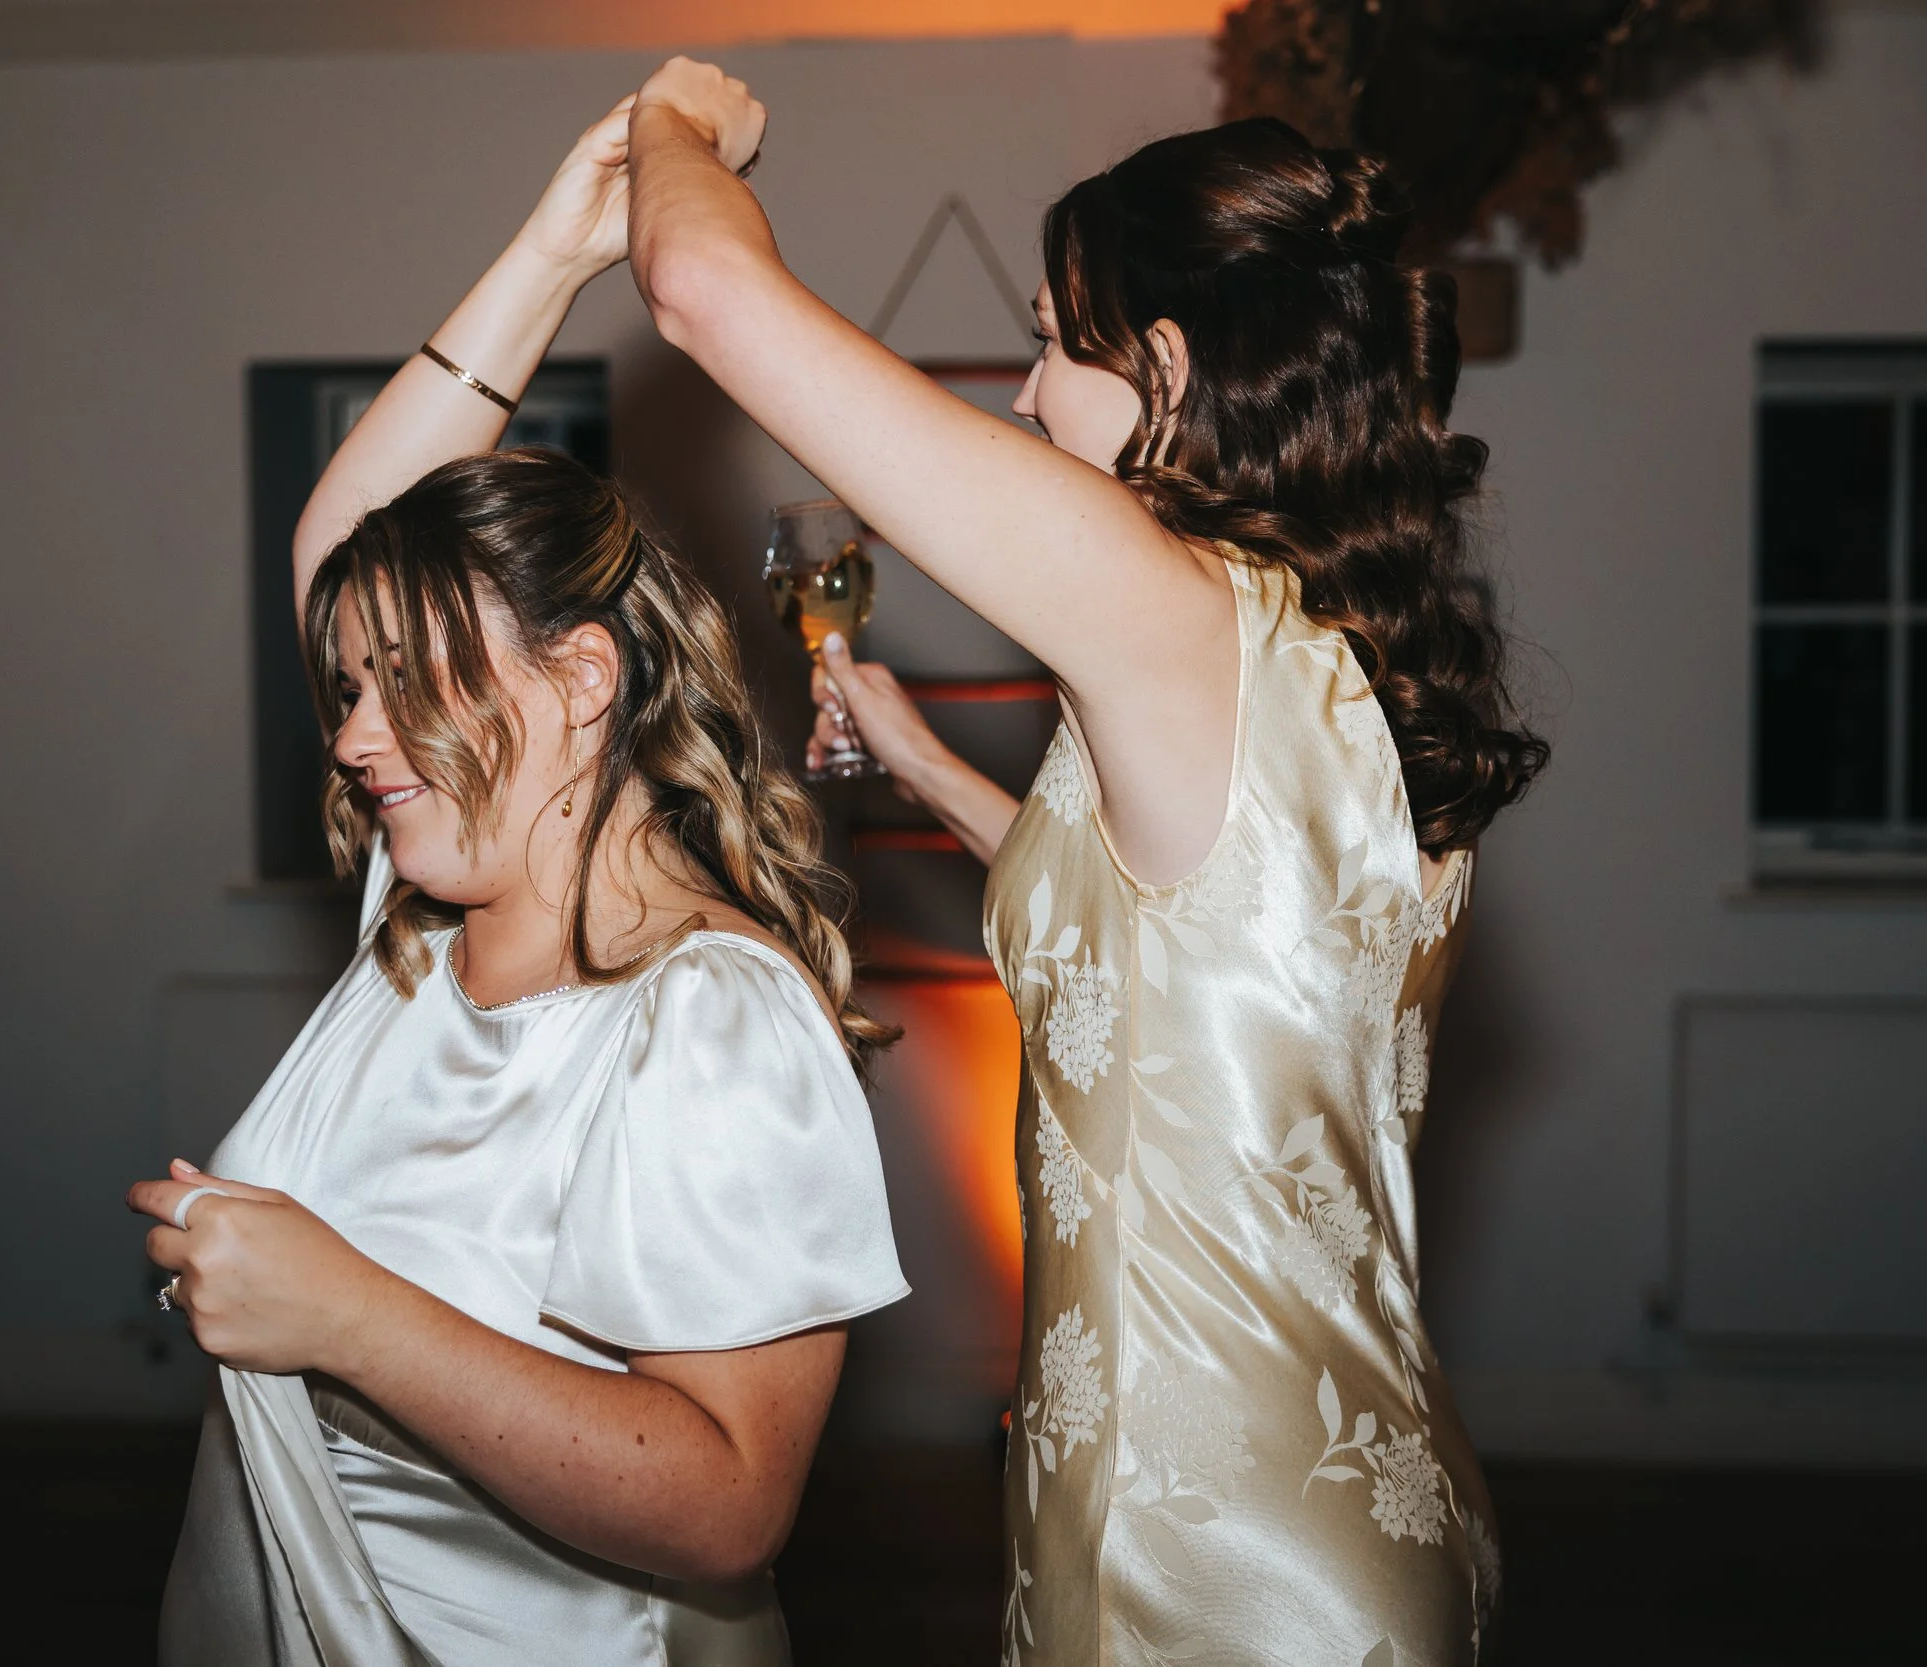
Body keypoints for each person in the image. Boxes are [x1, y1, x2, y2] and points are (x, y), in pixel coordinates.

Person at [625, 61, 1548, 1664]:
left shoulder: (1167, 605)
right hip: (1368, 1516)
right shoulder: (1326, 648)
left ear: (1169, 369)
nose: (1028, 397)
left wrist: (672, 125)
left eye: (1054, 346)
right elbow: (1179, 947)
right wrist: (924, 763)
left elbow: (702, 290)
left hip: (1207, 1561)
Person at [127, 99, 906, 1667]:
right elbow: (348, 535)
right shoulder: (418, 921)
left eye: (402, 679)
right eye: (346, 686)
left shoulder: (712, 1019)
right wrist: (563, 239)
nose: (351, 733)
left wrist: (345, 1311)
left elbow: (730, 1499)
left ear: (581, 679)